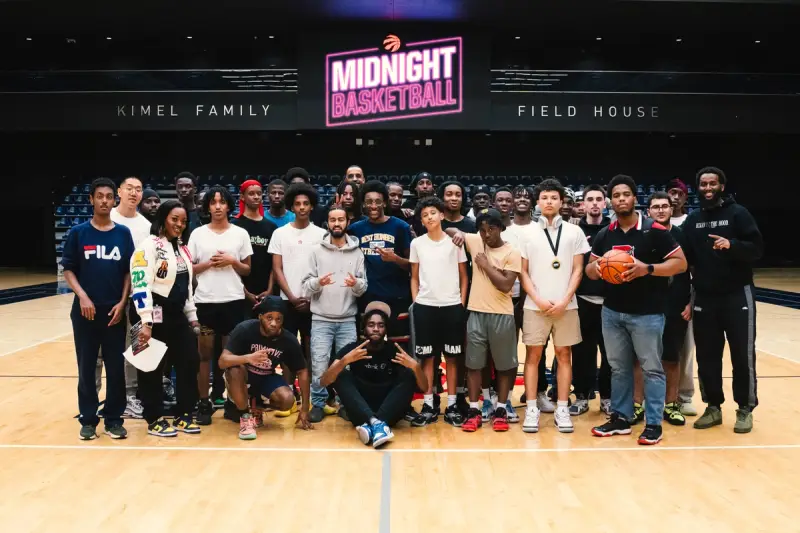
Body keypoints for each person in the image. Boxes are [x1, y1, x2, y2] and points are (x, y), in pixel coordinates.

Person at [586, 174, 687, 446]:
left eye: (625, 194)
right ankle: (620, 417)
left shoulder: (655, 230)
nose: (621, 199)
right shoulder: (606, 234)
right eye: (616, 195)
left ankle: (653, 423)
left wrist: (648, 269)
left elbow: (680, 264)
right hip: (612, 312)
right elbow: (589, 270)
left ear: (634, 198)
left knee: (652, 368)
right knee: (618, 368)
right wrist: (598, 268)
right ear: (611, 201)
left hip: (648, 314)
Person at [682, 166, 763, 433]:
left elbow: (757, 249)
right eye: (703, 184)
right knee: (707, 356)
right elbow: (683, 256)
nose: (707, 188)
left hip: (737, 294)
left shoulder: (738, 214)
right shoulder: (693, 220)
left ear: (722, 186)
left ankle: (745, 409)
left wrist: (733, 246)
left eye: (712, 183)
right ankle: (713, 407)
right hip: (705, 296)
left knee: (742, 356)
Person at [62, 177, 134, 440]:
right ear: (91, 199)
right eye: (99, 196)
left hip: (114, 312)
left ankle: (114, 419)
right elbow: (68, 269)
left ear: (115, 200)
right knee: (87, 366)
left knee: (116, 368)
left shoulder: (123, 234)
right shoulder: (78, 233)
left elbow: (128, 271)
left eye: (108, 196)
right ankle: (88, 419)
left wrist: (123, 302)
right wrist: (82, 296)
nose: (104, 200)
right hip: (85, 312)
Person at [519, 179, 590, 434]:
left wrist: (564, 300)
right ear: (538, 202)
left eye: (554, 197)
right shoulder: (526, 233)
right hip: (534, 306)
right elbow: (522, 272)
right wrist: (538, 299)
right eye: (545, 197)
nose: (549, 201)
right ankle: (531, 409)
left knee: (564, 356)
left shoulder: (575, 232)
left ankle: (562, 408)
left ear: (562, 202)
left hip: (566, 307)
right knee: (533, 357)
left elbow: (578, 269)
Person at [130, 200, 202, 437]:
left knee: (189, 361)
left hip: (175, 314)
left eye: (183, 221)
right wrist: (146, 322)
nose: (179, 224)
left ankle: (183, 414)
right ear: (163, 219)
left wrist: (192, 317)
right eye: (174, 219)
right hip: (150, 313)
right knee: (150, 368)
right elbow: (140, 284)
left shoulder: (182, 248)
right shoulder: (148, 246)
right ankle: (154, 419)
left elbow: (187, 287)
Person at [448, 208, 521, 432]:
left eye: (491, 229)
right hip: (476, 312)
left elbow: (506, 284)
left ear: (501, 228)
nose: (486, 234)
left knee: (505, 365)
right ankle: (474, 409)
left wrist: (486, 265)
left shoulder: (512, 252)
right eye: (482, 230)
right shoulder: (475, 241)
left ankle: (500, 409)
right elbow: (449, 229)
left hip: (502, 314)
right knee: (473, 364)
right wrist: (457, 233)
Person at [188, 186, 253, 424]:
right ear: (207, 207)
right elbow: (189, 269)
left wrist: (231, 261)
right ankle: (204, 402)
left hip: (233, 301)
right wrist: (209, 264)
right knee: (204, 356)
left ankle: (231, 401)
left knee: (230, 356)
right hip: (205, 301)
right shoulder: (197, 234)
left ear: (228, 206)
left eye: (221, 202)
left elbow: (247, 269)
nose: (217, 206)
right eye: (213, 202)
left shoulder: (240, 234)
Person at [321, 302, 427, 448]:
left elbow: (424, 388)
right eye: (371, 325)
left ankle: (373, 424)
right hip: (360, 410)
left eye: (380, 325)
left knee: (409, 374)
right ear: (364, 328)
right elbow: (324, 381)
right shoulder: (353, 349)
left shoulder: (395, 350)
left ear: (386, 329)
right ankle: (376, 424)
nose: (376, 329)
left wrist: (415, 367)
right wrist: (344, 361)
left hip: (389, 411)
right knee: (340, 374)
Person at [301, 204, 367, 423]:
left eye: (340, 219)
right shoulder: (315, 251)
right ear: (327, 223)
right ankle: (318, 403)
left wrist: (355, 284)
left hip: (348, 319)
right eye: (332, 220)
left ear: (347, 222)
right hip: (321, 319)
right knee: (319, 363)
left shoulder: (357, 252)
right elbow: (305, 286)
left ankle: (345, 403)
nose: (336, 223)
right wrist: (318, 283)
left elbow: (363, 286)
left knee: (346, 365)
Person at [268, 182, 327, 414]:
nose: (302, 208)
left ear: (312, 206)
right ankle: (289, 395)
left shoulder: (321, 234)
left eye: (306, 204)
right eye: (297, 204)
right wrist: (291, 297)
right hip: (287, 301)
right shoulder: (280, 233)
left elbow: (324, 268)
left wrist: (309, 297)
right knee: (288, 350)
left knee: (312, 350)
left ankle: (312, 395)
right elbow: (277, 268)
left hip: (315, 302)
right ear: (292, 206)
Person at [409, 197, 468, 425]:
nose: (429, 217)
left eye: (433, 212)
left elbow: (464, 275)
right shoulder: (417, 244)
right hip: (426, 307)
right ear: (422, 221)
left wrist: (461, 303)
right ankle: (429, 404)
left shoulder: (454, 242)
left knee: (452, 358)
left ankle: (452, 405)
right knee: (427, 359)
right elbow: (414, 277)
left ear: (442, 215)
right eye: (425, 215)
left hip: (452, 306)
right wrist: (417, 301)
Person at [219, 296, 313, 440]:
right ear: (260, 316)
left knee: (288, 400)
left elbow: (302, 370)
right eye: (269, 318)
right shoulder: (244, 329)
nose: (274, 323)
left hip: (266, 377)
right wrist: (248, 358)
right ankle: (245, 416)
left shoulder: (288, 340)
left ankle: (256, 407)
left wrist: (305, 408)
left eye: (278, 319)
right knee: (234, 369)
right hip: (242, 376)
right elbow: (222, 361)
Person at [641, 192, 692, 426]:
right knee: (642, 358)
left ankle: (671, 404)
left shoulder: (683, 236)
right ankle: (638, 403)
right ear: (648, 211)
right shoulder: (643, 235)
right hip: (647, 305)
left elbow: (697, 271)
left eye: (665, 206)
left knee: (671, 357)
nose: (660, 210)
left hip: (676, 305)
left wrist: (692, 302)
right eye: (656, 207)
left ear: (671, 210)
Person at [349, 181, 413, 350]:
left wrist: (395, 259)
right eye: (369, 202)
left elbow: (414, 265)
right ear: (363, 204)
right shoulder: (355, 229)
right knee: (368, 350)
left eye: (378, 201)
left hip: (397, 297)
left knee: (399, 351)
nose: (373, 206)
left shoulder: (401, 227)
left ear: (384, 203)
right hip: (367, 297)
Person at [109, 176, 151, 420]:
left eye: (138, 189)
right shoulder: (108, 219)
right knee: (105, 350)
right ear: (119, 192)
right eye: (130, 189)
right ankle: (107, 396)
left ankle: (131, 395)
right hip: (109, 295)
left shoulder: (145, 225)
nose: (134, 193)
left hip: (137, 297)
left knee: (135, 346)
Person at [570, 184, 613, 416]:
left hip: (610, 301)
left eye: (599, 199)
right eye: (590, 199)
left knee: (610, 354)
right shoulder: (574, 231)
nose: (595, 203)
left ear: (605, 203)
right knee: (582, 352)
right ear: (583, 204)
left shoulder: (613, 229)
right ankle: (582, 396)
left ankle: (607, 397)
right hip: (583, 299)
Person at [666, 177, 698, 416]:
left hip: (682, 296)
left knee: (684, 351)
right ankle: (655, 396)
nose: (675, 197)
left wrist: (692, 298)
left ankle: (684, 395)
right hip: (656, 298)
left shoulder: (690, 224)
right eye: (671, 193)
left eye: (679, 193)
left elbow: (696, 266)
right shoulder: (651, 225)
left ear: (686, 197)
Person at [234, 180, 277, 311]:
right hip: (240, 292)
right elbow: (233, 263)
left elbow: (274, 264)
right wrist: (245, 292)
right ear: (242, 197)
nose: (256, 197)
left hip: (266, 292)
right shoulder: (234, 226)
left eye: (259, 193)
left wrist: (270, 290)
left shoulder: (271, 227)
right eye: (251, 193)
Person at [404, 172, 435, 236]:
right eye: (421, 183)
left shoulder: (438, 205)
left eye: (428, 183)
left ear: (432, 187)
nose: (425, 186)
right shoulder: (407, 205)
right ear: (415, 187)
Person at [175, 172, 201, 236]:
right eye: (180, 186)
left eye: (188, 186)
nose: (183, 190)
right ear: (176, 189)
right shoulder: (170, 213)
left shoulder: (202, 213)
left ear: (195, 189)